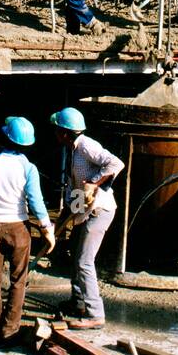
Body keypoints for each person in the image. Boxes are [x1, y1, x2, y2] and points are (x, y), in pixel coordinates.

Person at [0, 117, 55, 344]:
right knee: (18, 280)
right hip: (18, 229)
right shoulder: (29, 168)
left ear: (5, 137)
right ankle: (9, 330)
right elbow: (35, 201)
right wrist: (47, 229)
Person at [50, 107, 124, 329]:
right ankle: (79, 303)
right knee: (76, 257)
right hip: (83, 210)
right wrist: (63, 218)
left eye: (57, 130)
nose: (55, 134)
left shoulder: (86, 145)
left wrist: (94, 181)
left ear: (65, 132)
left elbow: (116, 163)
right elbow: (75, 189)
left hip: (99, 211)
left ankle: (95, 314)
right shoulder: (73, 150)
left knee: (84, 261)